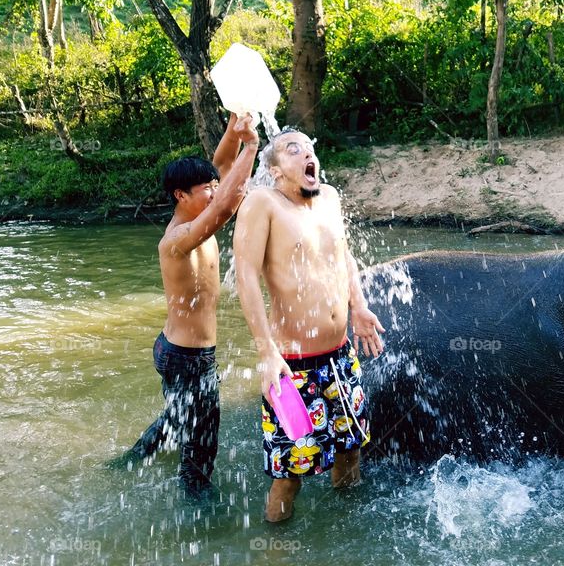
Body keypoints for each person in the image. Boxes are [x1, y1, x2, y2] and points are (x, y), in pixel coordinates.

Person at [233, 128, 385, 522]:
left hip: (340, 357)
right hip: (291, 366)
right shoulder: (262, 203)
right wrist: (265, 352)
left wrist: (359, 306)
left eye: (310, 148)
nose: (307, 155)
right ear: (275, 169)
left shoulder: (329, 198)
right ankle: (275, 549)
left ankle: (344, 530)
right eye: (293, 149)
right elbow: (246, 276)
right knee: (290, 475)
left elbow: (343, 256)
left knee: (352, 448)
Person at [117, 112, 259, 496]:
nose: (214, 190)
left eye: (214, 186)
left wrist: (234, 126)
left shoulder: (197, 212)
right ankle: (197, 505)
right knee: (201, 437)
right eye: (206, 188)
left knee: (180, 418)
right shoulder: (178, 239)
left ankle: (129, 462)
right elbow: (225, 208)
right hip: (186, 356)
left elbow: (222, 165)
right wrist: (253, 145)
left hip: (180, 350)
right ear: (181, 195)